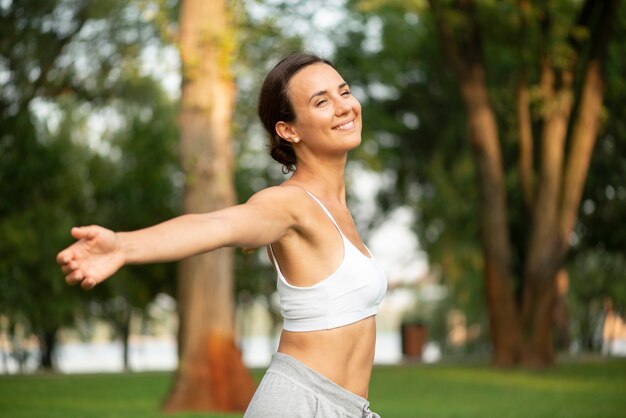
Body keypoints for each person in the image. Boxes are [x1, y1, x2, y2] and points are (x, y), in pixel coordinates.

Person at [57, 52, 387, 418]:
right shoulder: (289, 203)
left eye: (344, 92)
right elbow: (217, 225)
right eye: (322, 101)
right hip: (300, 404)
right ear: (288, 130)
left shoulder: (338, 207)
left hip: (344, 407)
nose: (344, 107)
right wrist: (123, 246)